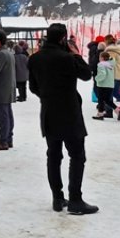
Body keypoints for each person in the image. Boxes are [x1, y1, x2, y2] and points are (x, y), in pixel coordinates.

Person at [27, 24, 97, 215]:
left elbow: (33, 87)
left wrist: (47, 95)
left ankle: (57, 198)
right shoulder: (67, 58)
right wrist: (75, 53)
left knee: (54, 155)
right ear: (63, 38)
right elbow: (86, 74)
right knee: (77, 155)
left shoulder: (34, 59)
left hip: (49, 111)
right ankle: (75, 199)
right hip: (69, 110)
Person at [101, 35, 120, 117]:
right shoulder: (119, 50)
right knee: (115, 93)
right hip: (119, 74)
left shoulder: (110, 51)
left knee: (109, 94)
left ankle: (110, 111)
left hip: (113, 75)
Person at [91, 52, 116, 121]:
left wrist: (96, 78)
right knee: (107, 100)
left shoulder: (101, 64)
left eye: (99, 57)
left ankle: (100, 114)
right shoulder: (111, 64)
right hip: (110, 84)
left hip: (103, 84)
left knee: (101, 100)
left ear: (102, 58)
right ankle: (118, 110)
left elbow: (103, 74)